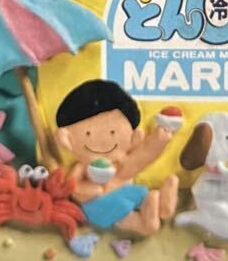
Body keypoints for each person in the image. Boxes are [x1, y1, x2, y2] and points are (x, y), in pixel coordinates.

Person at [54, 79, 179, 235]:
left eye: (113, 132)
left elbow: (142, 158)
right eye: (88, 134)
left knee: (142, 193)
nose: (104, 139)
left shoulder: (121, 161)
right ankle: (147, 223)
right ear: (66, 138)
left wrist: (159, 140)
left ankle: (161, 206)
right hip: (100, 204)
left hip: (126, 192)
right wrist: (92, 190)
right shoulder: (83, 167)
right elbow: (72, 187)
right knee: (128, 214)